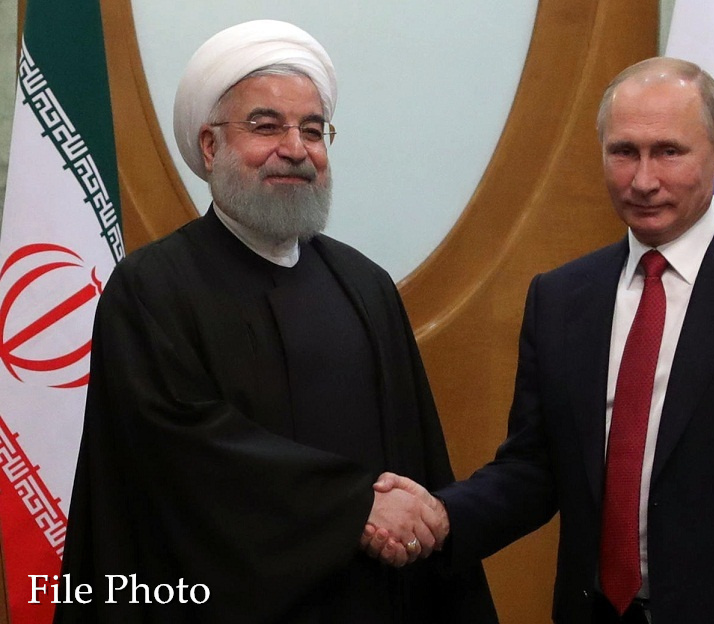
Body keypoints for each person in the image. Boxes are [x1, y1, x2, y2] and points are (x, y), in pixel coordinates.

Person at [366, 57, 714, 623]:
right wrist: (442, 516)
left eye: (668, 151)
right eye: (623, 152)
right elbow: (534, 469)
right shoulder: (561, 297)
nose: (643, 180)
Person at [55, 20, 496, 624]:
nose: (295, 148)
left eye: (313, 130)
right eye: (266, 126)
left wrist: (413, 522)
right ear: (210, 146)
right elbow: (184, 465)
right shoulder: (153, 289)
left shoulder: (364, 286)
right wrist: (352, 509)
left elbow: (413, 452)